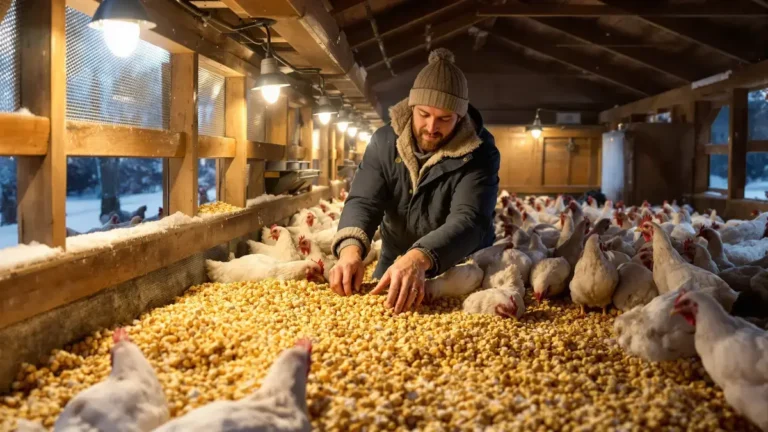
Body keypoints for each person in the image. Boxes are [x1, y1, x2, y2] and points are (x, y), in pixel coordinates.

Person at [329, 48, 500, 314]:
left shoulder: (480, 152)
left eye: (444, 118)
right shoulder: (384, 142)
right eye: (424, 114)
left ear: (461, 116)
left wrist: (419, 258)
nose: (432, 127)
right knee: (381, 319)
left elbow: (469, 219)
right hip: (396, 256)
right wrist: (350, 251)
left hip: (461, 264)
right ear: (411, 106)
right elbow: (364, 200)